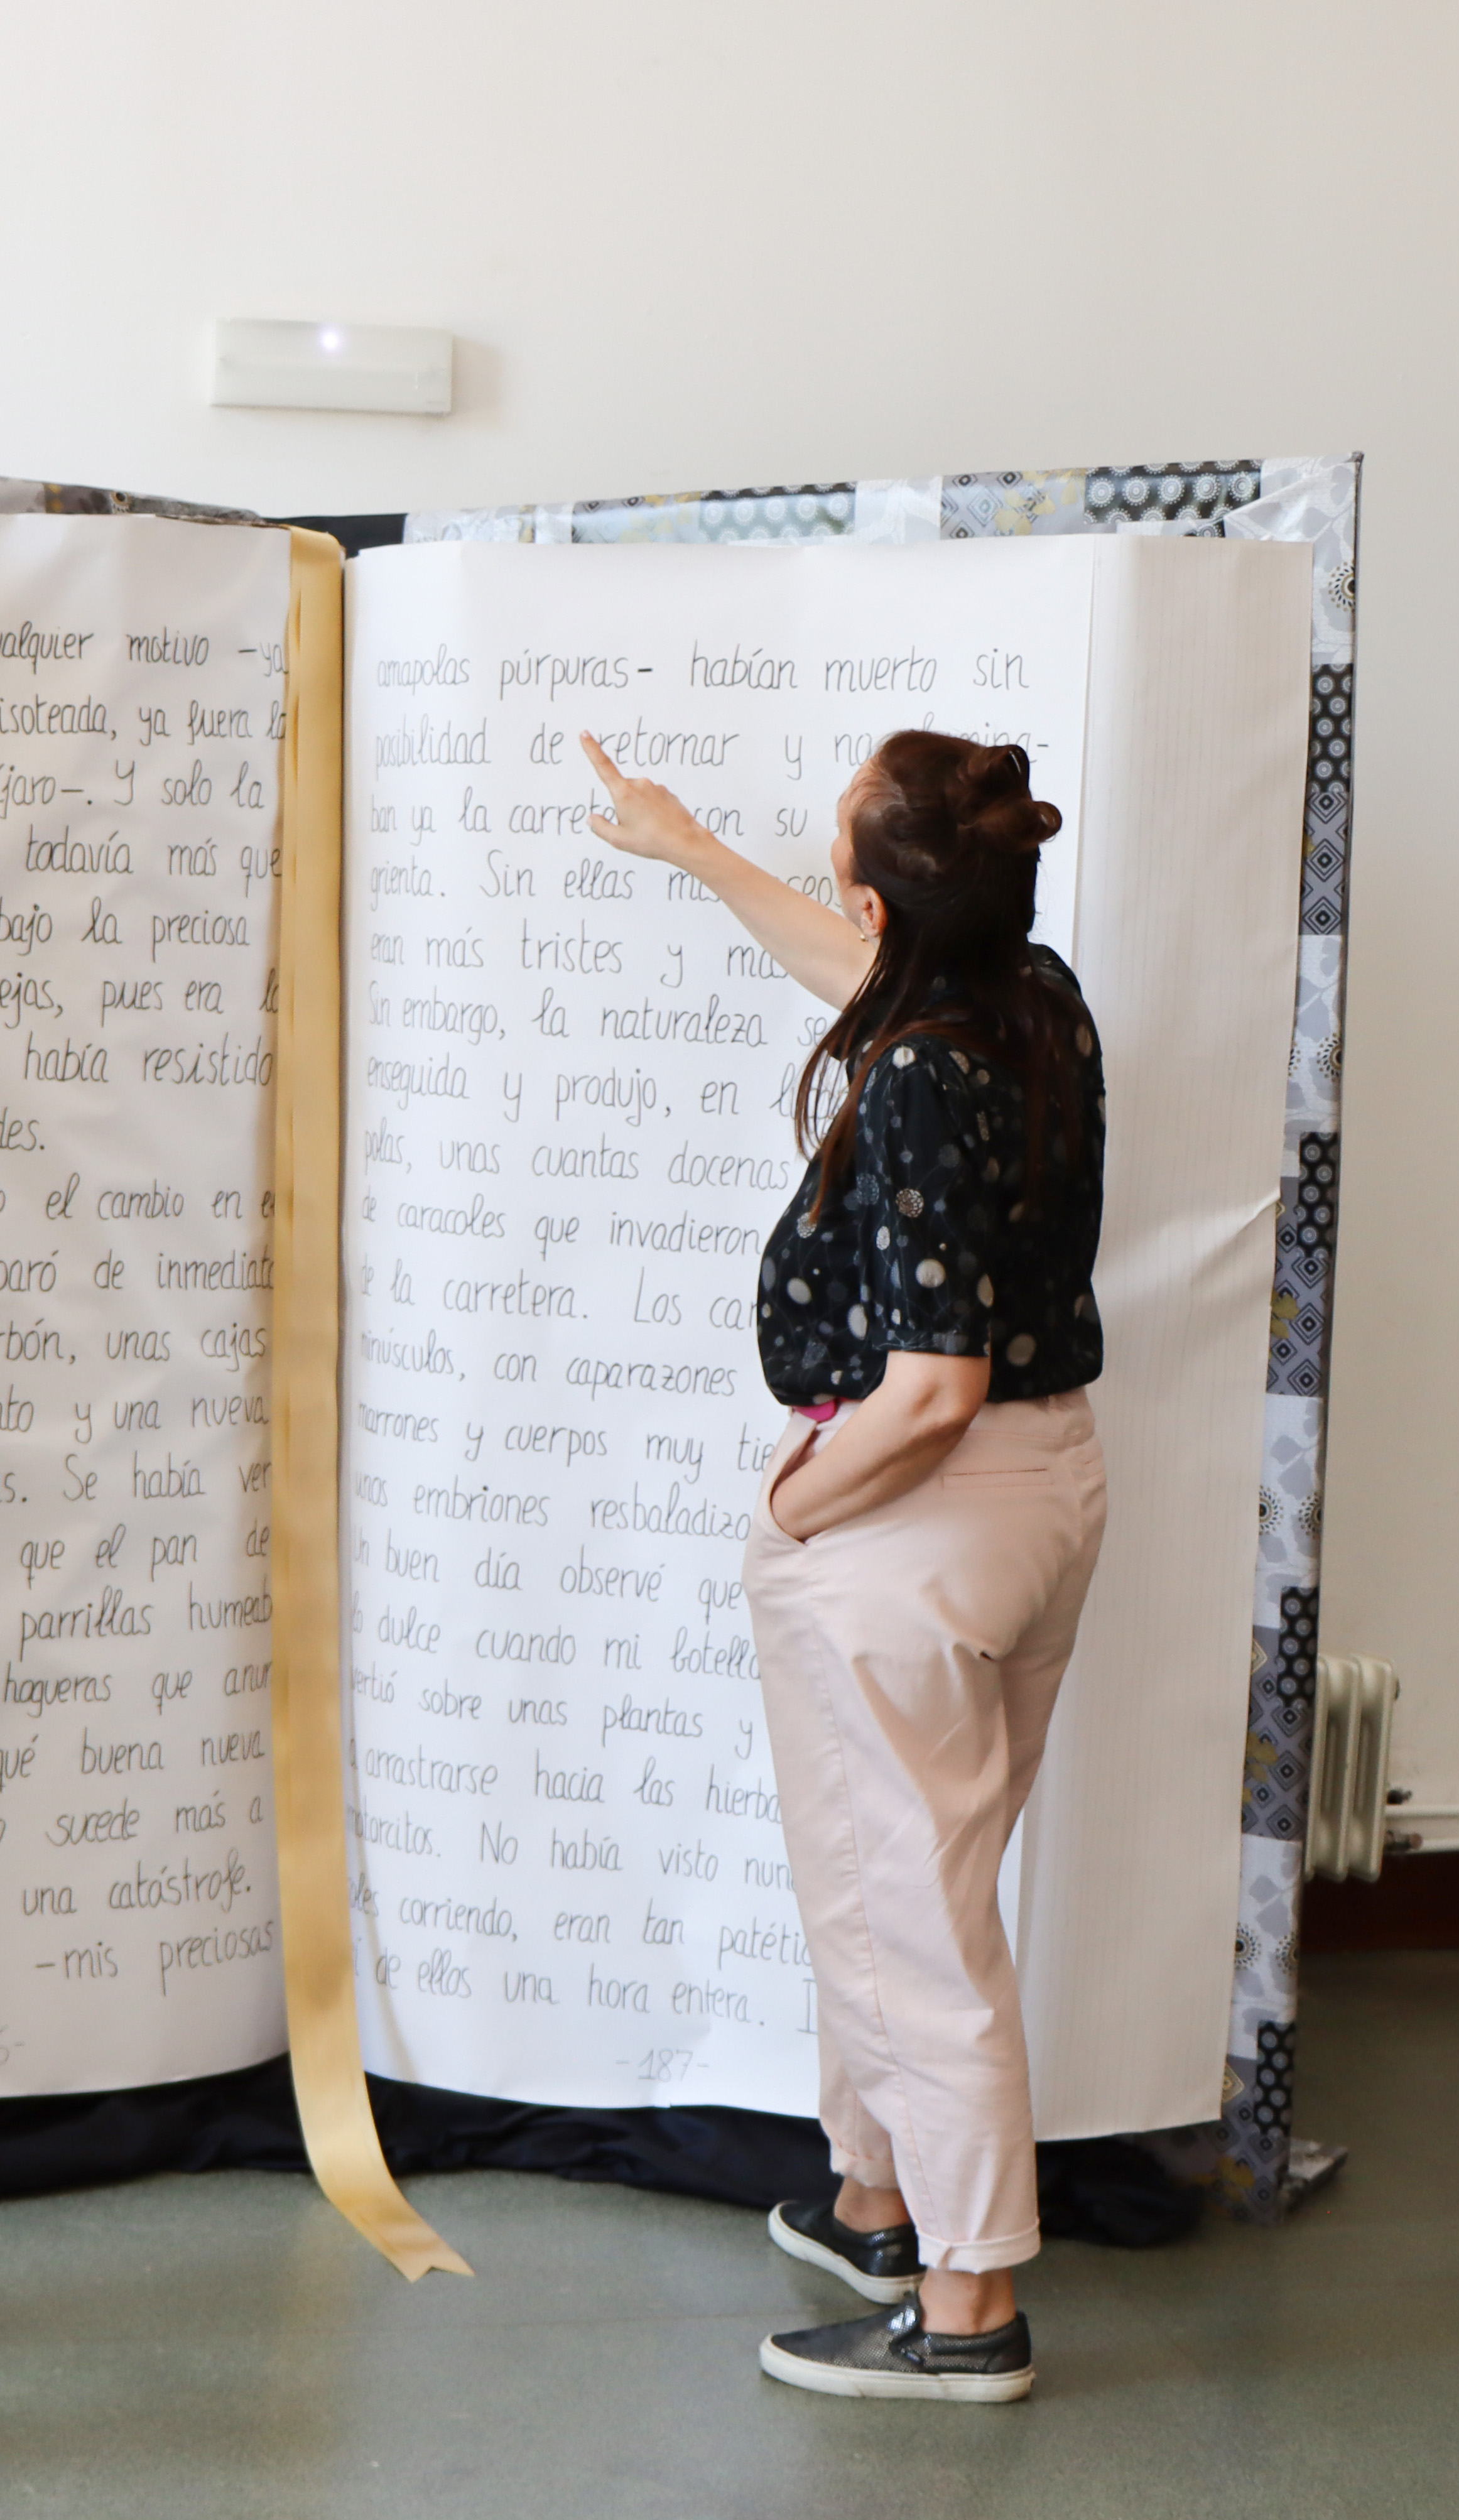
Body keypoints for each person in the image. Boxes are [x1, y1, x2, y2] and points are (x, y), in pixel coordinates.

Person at [583, 724, 1109, 2406]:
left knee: (909, 1919)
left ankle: (968, 2311)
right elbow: (861, 967)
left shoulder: (929, 1066)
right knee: (911, 1887)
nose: (832, 895)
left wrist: (795, 1507)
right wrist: (690, 852)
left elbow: (934, 1392)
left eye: (837, 866)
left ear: (887, 908)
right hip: (1053, 1492)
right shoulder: (1030, 997)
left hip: (918, 1518)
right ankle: (877, 2203)